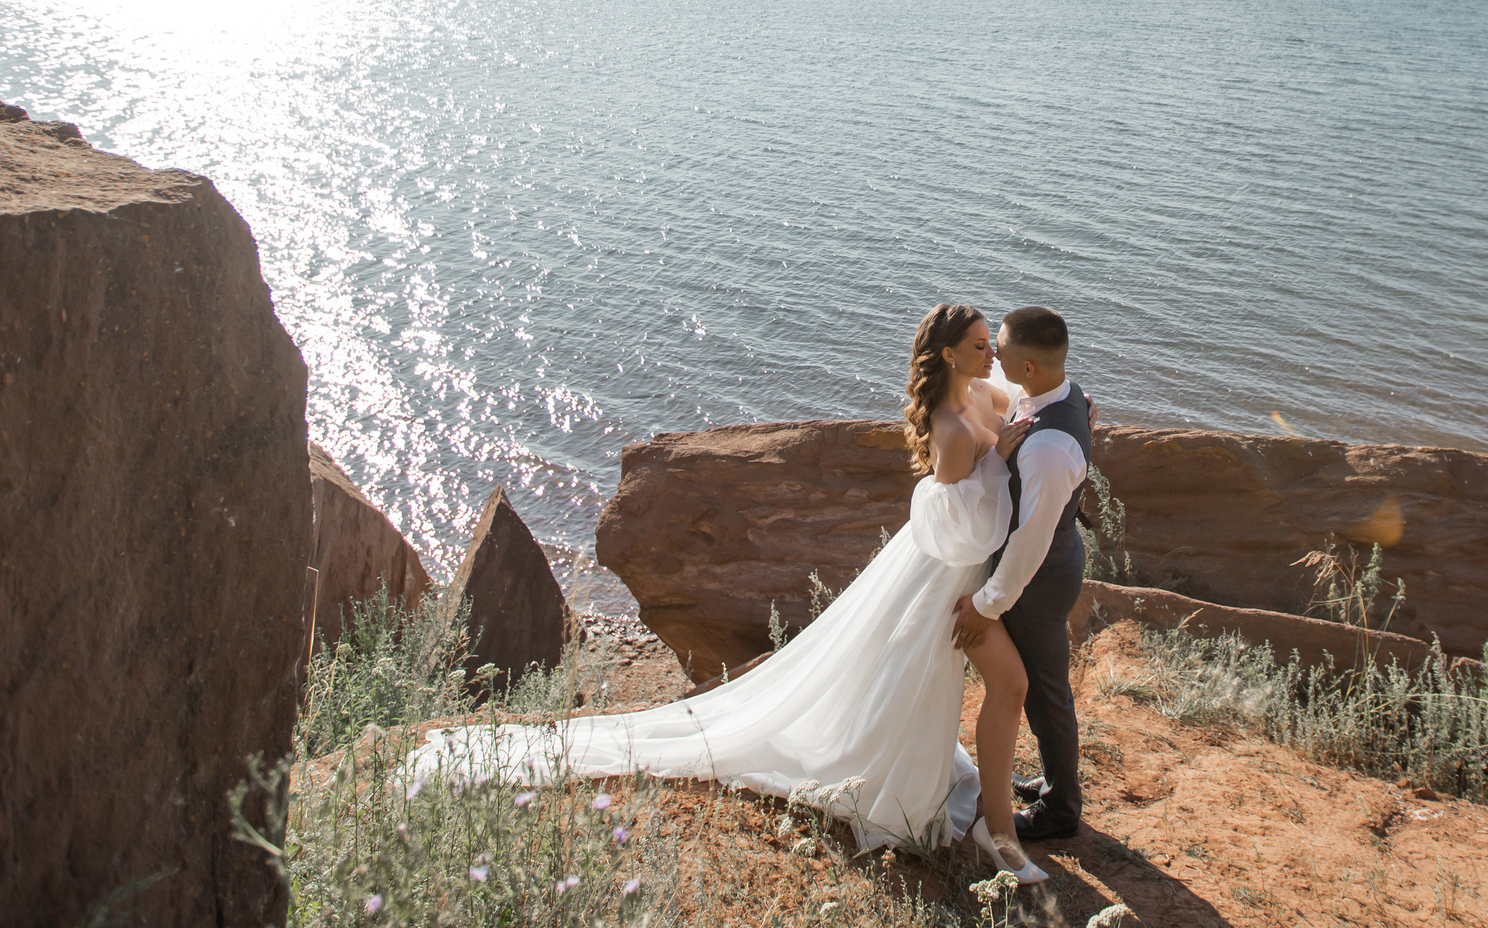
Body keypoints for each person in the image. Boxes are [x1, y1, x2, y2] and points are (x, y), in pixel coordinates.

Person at [399, 301, 1066, 884]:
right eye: (980, 344)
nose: (993, 354)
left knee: (920, 683)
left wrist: (1063, 406)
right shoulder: (953, 431)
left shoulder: (984, 394)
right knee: (965, 679)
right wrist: (1001, 460)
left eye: (992, 343)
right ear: (949, 353)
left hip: (960, 575)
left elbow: (1023, 391)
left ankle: (977, 810)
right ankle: (991, 828)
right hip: (945, 577)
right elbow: (954, 528)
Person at [949, 305, 1089, 843]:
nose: (994, 354)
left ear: (1029, 367)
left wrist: (986, 605)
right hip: (1051, 564)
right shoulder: (1063, 394)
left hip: (1041, 579)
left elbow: (1030, 543)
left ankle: (1061, 810)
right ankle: (1055, 783)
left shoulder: (1049, 451)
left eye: (1000, 349)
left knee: (1046, 692)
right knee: (1040, 688)